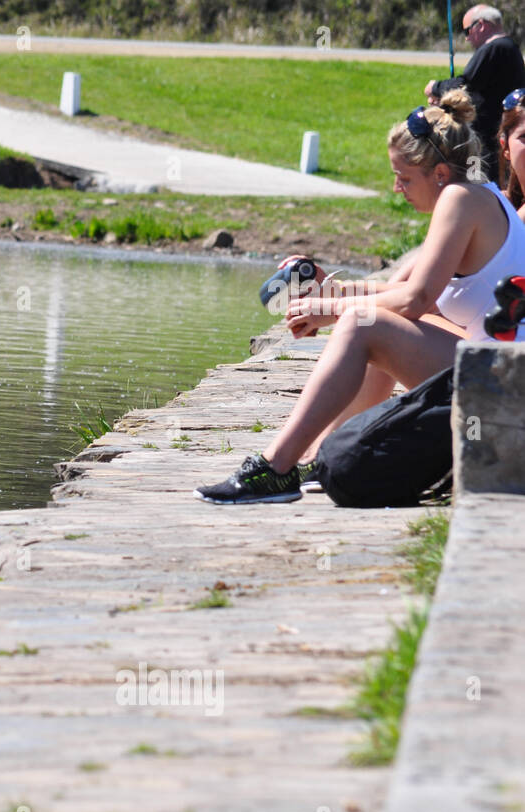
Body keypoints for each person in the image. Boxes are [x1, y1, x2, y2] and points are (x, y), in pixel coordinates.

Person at [196, 89, 525, 504]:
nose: (396, 188)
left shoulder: (459, 201)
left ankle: (275, 468)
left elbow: (415, 300)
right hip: (505, 371)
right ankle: (314, 461)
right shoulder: (482, 193)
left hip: (506, 387)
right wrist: (327, 288)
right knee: (377, 321)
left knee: (363, 324)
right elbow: (398, 290)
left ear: (440, 173)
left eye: (404, 178)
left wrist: (331, 310)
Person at [425, 5, 525, 184]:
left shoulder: (495, 48)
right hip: (493, 140)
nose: (467, 39)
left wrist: (435, 87)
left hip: (486, 144)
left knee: (478, 186)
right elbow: (479, 90)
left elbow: (466, 83)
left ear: (481, 25)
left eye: (467, 31)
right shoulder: (508, 47)